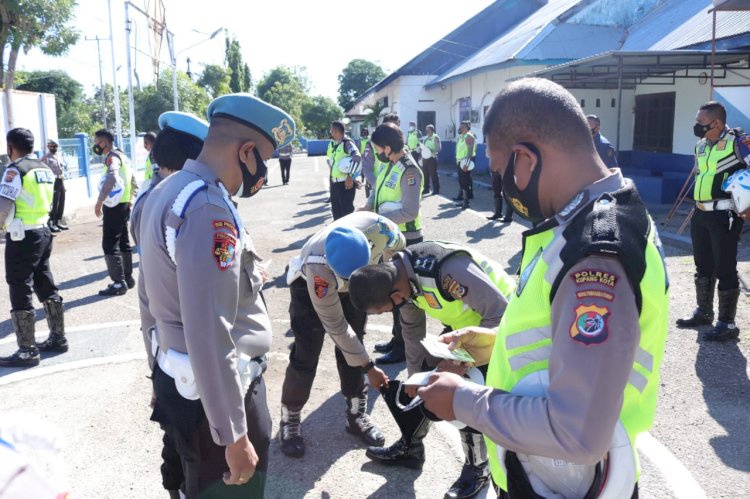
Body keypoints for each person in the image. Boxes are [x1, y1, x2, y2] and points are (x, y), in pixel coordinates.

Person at [417, 78, 669, 498]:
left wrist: (462, 401)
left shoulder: (594, 252)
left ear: (525, 159)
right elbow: (571, 334)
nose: (502, 187)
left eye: (500, 172)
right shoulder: (598, 215)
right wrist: (497, 344)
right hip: (548, 475)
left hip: (565, 484)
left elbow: (577, 433)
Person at [139, 93, 295, 498]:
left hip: (183, 380)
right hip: (217, 398)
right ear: (246, 152)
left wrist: (156, 365)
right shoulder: (209, 209)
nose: (262, 173)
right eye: (262, 159)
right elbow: (210, 330)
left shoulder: (169, 188)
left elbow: (146, 297)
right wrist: (234, 435)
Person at [348, 241, 515, 499]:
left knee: (461, 391)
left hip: (502, 329)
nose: (387, 312)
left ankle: (478, 466)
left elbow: (501, 314)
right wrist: (415, 380)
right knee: (420, 382)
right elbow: (413, 335)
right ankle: (411, 448)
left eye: (384, 310)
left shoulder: (447, 271)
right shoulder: (403, 281)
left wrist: (461, 363)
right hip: (463, 330)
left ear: (394, 296)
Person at [131, 111, 209, 499]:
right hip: (183, 350)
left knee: (181, 436)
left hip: (169, 348)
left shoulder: (156, 195)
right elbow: (153, 291)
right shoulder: (174, 201)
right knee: (187, 441)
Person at [279, 211, 401, 458]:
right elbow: (337, 328)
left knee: (356, 343)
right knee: (307, 351)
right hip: (307, 287)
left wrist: (382, 279)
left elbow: (399, 252)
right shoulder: (319, 270)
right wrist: (369, 367)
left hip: (360, 278)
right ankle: (289, 420)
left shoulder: (381, 230)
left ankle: (356, 415)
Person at [675, 101, 750, 341]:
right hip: (700, 213)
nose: (696, 126)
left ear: (716, 123)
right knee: (703, 265)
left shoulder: (738, 142)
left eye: (700, 122)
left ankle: (727, 324)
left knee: (725, 267)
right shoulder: (700, 146)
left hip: (725, 214)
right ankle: (704, 313)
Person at [0, 128, 66, 367]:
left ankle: (27, 350)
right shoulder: (44, 168)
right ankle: (58, 337)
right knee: (44, 281)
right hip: (43, 231)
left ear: (10, 148)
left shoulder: (15, 169)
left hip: (22, 236)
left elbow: (4, 204)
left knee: (19, 285)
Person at [364, 122, 424, 365]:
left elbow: (410, 211)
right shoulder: (390, 165)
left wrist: (378, 219)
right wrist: (366, 209)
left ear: (388, 148)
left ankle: (403, 347)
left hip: (405, 240)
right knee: (393, 291)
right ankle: (395, 339)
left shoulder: (410, 171)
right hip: (389, 239)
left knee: (403, 296)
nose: (377, 153)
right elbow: (376, 192)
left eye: (378, 148)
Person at [93, 129, 137, 296]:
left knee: (110, 243)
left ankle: (119, 283)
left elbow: (112, 176)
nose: (95, 145)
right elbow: (132, 179)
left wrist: (99, 200)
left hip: (114, 205)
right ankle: (127, 277)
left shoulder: (112, 157)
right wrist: (131, 198)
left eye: (97, 142)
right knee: (123, 241)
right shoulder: (123, 155)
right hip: (124, 203)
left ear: (104, 142)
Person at [327, 120, 362, 220]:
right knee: (336, 214)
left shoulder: (347, 143)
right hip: (335, 184)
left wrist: (350, 176)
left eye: (332, 130)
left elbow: (357, 156)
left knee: (346, 215)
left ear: (336, 131)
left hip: (345, 184)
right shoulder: (336, 143)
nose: (331, 132)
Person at [41, 138, 68, 232]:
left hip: (61, 180)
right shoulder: (46, 158)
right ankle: (51, 222)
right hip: (52, 181)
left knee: (62, 201)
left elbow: (63, 169)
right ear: (48, 147)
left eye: (55, 146)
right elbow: (43, 171)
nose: (53, 148)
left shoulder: (59, 156)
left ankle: (58, 222)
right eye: (51, 146)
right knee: (54, 202)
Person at [454, 121, 476, 210]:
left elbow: (470, 152)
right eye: (460, 126)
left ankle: (466, 202)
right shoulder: (460, 137)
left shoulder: (469, 137)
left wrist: (466, 164)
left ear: (467, 128)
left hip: (465, 162)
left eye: (462, 126)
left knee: (465, 182)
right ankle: (463, 200)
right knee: (461, 182)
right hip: (459, 162)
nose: (460, 128)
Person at [421, 124, 441, 195]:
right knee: (425, 174)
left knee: (433, 174)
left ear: (432, 130)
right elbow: (423, 147)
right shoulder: (426, 138)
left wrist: (431, 151)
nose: (426, 131)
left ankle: (436, 190)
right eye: (426, 130)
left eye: (428, 130)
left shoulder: (435, 137)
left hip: (432, 158)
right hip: (425, 158)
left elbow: (438, 148)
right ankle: (426, 188)